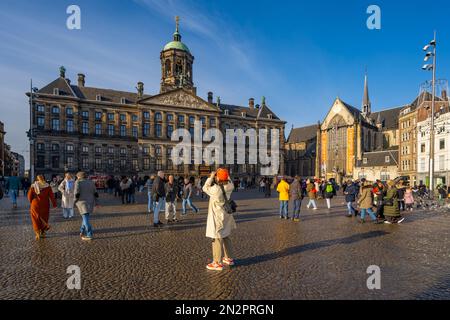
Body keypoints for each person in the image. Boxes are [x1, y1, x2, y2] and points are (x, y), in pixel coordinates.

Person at [203, 168, 236, 271]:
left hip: (217, 216)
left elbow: (205, 187)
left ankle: (217, 262)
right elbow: (228, 180)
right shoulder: (230, 186)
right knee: (226, 236)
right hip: (227, 215)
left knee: (217, 238)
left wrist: (211, 176)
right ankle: (229, 258)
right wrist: (224, 173)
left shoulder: (216, 189)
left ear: (218, 178)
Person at [27, 175, 57, 240]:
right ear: (44, 179)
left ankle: (37, 233)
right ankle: (43, 231)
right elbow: (51, 196)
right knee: (44, 217)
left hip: (35, 204)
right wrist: (54, 204)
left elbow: (29, 196)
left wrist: (31, 202)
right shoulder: (47, 186)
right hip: (45, 204)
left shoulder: (33, 186)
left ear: (36, 179)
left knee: (35, 218)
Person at [74, 172, 98, 241]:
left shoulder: (78, 182)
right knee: (85, 217)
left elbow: (76, 193)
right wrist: (97, 202)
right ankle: (81, 230)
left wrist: (74, 201)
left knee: (85, 218)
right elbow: (95, 193)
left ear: (79, 177)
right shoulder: (91, 182)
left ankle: (89, 234)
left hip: (82, 202)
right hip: (90, 202)